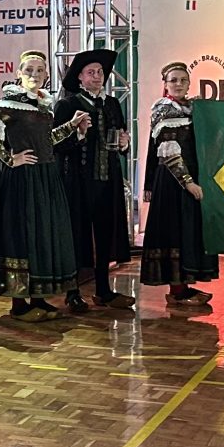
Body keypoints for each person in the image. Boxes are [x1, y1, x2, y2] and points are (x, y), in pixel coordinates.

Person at [0, 50, 85, 320]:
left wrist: (72, 126)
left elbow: (46, 141)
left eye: (39, 70)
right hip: (23, 179)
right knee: (22, 234)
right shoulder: (11, 103)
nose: (34, 75)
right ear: (19, 73)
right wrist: (10, 159)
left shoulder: (43, 104)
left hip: (46, 177)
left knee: (42, 235)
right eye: (29, 70)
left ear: (47, 75)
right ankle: (18, 303)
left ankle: (38, 297)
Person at [55, 48, 133, 312]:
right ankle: (72, 292)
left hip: (107, 178)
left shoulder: (112, 104)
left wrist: (124, 144)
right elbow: (56, 145)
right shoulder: (68, 105)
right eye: (91, 72)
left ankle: (103, 290)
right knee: (76, 235)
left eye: (100, 72)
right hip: (77, 180)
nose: (97, 76)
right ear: (80, 77)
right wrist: (78, 134)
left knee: (105, 233)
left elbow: (120, 135)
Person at [139, 61, 215, 311]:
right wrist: (188, 182)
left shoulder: (190, 108)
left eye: (183, 80)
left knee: (186, 232)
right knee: (175, 232)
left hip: (189, 177)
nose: (179, 84)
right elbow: (168, 151)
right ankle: (177, 291)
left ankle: (183, 286)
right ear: (165, 84)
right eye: (174, 80)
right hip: (173, 181)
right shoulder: (163, 109)